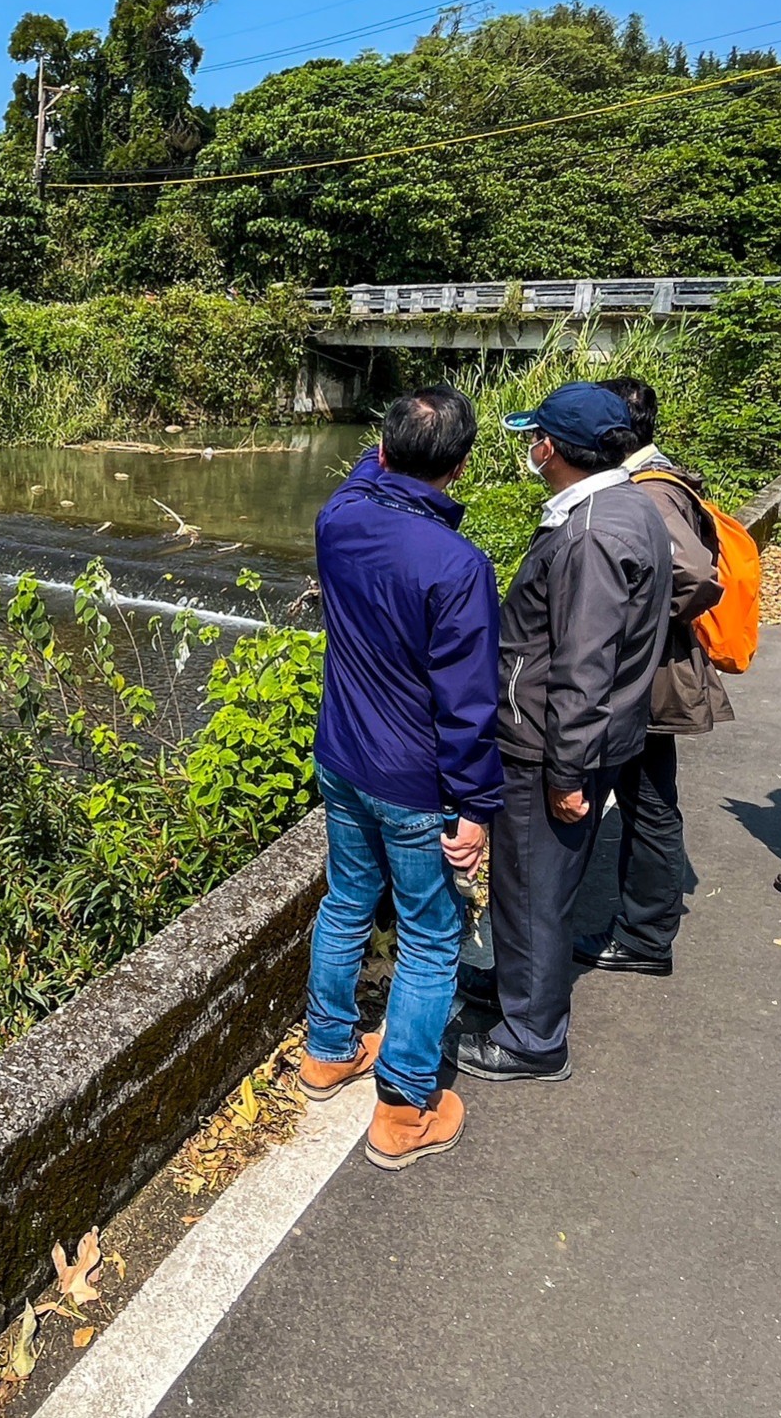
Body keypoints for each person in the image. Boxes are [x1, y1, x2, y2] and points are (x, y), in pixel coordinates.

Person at [300, 385, 498, 1169]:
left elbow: (365, 473)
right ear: (461, 464)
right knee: (430, 932)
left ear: (380, 452)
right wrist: (477, 805)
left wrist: (386, 451)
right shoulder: (457, 565)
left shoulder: (338, 520)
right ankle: (404, 1108)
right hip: (416, 779)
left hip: (342, 756)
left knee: (347, 896)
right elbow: (468, 702)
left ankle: (326, 1052)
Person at [453, 383, 672, 1083]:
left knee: (531, 886)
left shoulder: (588, 534)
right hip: (588, 733)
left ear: (551, 447)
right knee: (538, 880)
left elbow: (583, 662)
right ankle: (523, 988)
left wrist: (567, 773)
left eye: (534, 436)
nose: (530, 446)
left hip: (552, 741)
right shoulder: (629, 502)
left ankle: (532, 1037)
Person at [569, 378, 732, 978]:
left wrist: (627, 620)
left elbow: (694, 576)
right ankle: (647, 927)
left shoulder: (651, 492)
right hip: (649, 669)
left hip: (646, 674)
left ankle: (643, 933)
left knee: (646, 799)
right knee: (649, 794)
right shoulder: (654, 478)